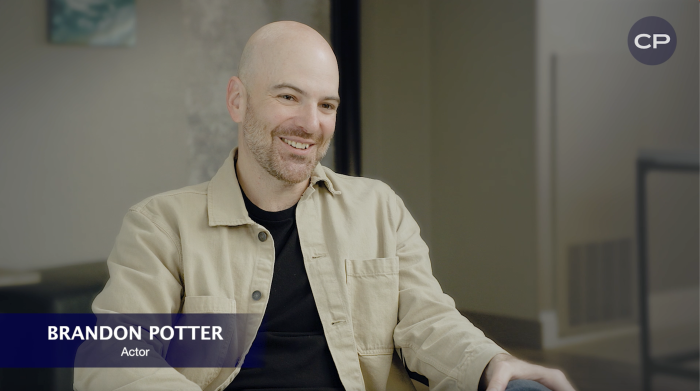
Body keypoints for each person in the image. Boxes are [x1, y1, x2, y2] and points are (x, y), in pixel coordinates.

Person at [74, 21, 575, 391]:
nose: (310, 124)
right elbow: (111, 361)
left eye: (327, 105)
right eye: (289, 97)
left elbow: (428, 322)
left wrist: (490, 362)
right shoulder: (161, 226)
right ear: (237, 101)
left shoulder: (379, 208)